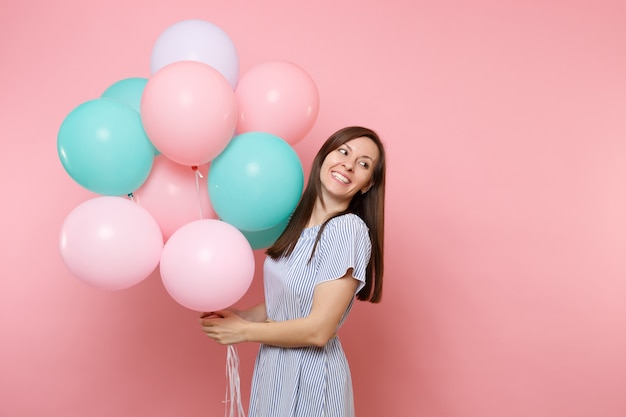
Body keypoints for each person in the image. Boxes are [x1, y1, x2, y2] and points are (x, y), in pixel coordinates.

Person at [200, 126, 386, 417]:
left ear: (366, 184)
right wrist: (241, 316)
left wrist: (245, 331)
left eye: (363, 164)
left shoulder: (347, 230)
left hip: (311, 377)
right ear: (325, 156)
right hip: (275, 369)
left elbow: (319, 330)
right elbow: (292, 296)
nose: (348, 165)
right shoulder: (295, 227)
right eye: (343, 151)